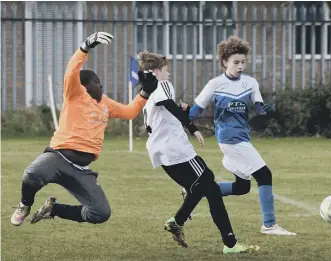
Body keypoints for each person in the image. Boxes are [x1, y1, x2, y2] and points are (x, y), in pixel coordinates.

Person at [11, 32, 158, 226]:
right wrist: (85, 47)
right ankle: (25, 205)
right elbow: (71, 71)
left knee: (100, 213)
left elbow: (130, 112)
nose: (101, 85)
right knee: (32, 173)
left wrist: (145, 92)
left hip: (81, 169)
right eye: (98, 82)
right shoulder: (75, 94)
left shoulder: (105, 103)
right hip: (57, 158)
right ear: (87, 85)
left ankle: (53, 209)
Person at [139, 51, 259, 254]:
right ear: (157, 71)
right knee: (208, 184)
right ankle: (228, 244)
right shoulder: (163, 85)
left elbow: (166, 111)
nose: (169, 74)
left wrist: (182, 110)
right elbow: (169, 106)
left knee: (206, 187)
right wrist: (192, 127)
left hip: (162, 150)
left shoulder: (149, 92)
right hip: (175, 149)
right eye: (167, 70)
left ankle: (180, 222)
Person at [181, 36, 296, 236]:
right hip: (229, 139)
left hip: (242, 138)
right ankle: (269, 224)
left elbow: (259, 106)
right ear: (225, 61)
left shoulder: (250, 83)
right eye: (236, 62)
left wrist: (263, 110)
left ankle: (197, 191)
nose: (240, 66)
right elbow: (195, 111)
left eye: (243, 62)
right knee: (264, 175)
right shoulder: (215, 84)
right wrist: (180, 113)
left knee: (242, 187)